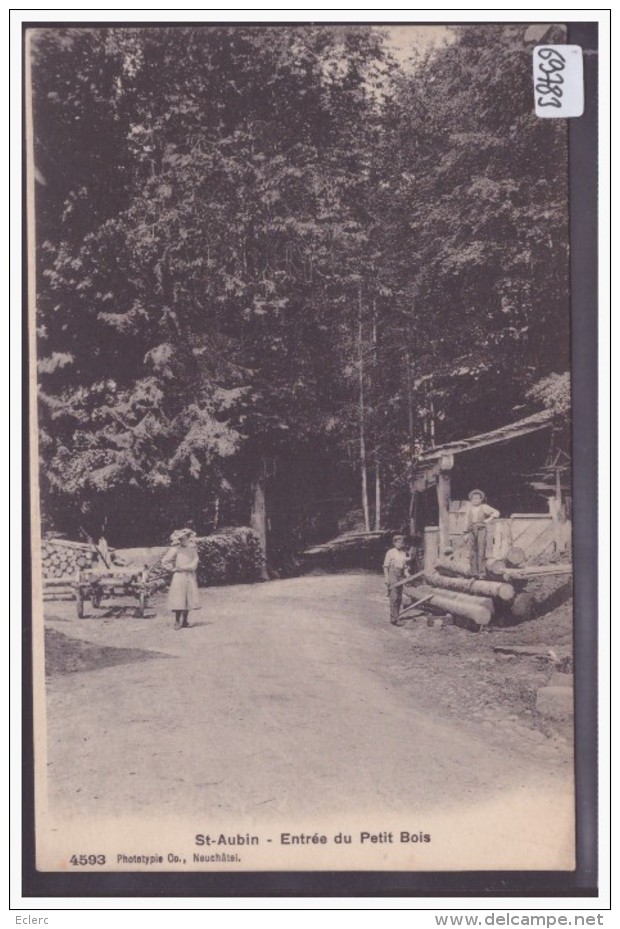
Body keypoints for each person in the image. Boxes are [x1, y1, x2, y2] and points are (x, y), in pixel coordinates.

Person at [161, 528, 201, 629]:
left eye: (186, 538)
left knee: (188, 597)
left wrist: (188, 567)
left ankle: (185, 621)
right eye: (182, 539)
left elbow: (195, 562)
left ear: (188, 539)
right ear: (179, 540)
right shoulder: (175, 550)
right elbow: (165, 561)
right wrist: (173, 569)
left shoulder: (192, 550)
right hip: (179, 576)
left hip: (189, 575)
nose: (185, 540)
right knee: (179, 598)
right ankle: (177, 621)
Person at [464, 490, 499, 578]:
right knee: (472, 551)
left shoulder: (484, 507)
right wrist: (465, 533)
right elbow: (466, 521)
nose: (476, 500)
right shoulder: (469, 508)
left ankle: (481, 572)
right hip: (471, 530)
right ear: (471, 499)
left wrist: (487, 520)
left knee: (481, 550)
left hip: (481, 530)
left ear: (481, 499)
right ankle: (474, 573)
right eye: (474, 498)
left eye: (478, 498)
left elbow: (497, 513)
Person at [383, 533, 409, 626]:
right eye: (397, 542)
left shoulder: (403, 553)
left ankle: (396, 616)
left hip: (400, 575)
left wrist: (407, 574)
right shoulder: (390, 552)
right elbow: (385, 566)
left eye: (400, 542)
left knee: (399, 597)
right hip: (392, 575)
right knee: (393, 597)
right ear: (394, 543)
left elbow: (405, 567)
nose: (399, 544)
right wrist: (386, 578)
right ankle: (394, 618)